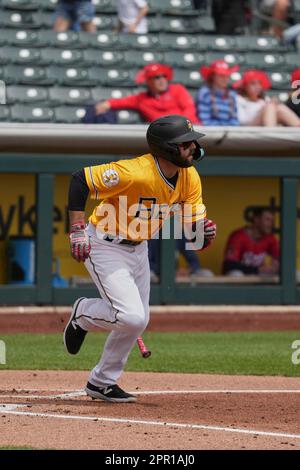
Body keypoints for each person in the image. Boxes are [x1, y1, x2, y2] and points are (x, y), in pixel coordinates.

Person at [64, 114, 217, 403]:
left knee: (139, 320)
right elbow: (80, 180)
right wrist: (76, 230)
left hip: (139, 247)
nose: (194, 146)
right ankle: (83, 313)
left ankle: (101, 382)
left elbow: (192, 226)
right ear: (168, 148)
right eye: (186, 143)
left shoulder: (189, 176)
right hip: (104, 244)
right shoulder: (134, 172)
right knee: (131, 317)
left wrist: (203, 233)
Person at [94, 63, 200, 124]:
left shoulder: (178, 89)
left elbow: (189, 109)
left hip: (188, 129)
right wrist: (107, 104)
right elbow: (124, 101)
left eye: (164, 76)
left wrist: (181, 126)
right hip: (164, 137)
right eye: (157, 77)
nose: (162, 80)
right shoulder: (142, 99)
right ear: (148, 81)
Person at [222, 208, 279, 277]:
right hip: (242, 278)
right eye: (267, 220)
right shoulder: (238, 236)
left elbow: (278, 259)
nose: (270, 224)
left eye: (272, 221)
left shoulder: (270, 238)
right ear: (256, 220)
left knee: (294, 274)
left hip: (258, 276)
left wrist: (276, 265)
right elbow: (229, 265)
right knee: (236, 274)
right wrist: (258, 269)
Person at [234, 69, 300, 126]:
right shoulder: (239, 99)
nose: (257, 87)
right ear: (245, 86)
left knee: (279, 107)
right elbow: (242, 121)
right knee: (270, 106)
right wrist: (262, 110)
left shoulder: (264, 99)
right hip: (250, 127)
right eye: (253, 84)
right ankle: (271, 133)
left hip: (264, 125)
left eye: (259, 83)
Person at [197, 60, 239, 126]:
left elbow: (235, 119)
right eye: (221, 76)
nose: (225, 79)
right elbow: (205, 120)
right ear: (213, 77)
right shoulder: (205, 93)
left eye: (227, 76)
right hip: (211, 133)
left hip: (230, 132)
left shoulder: (232, 95)